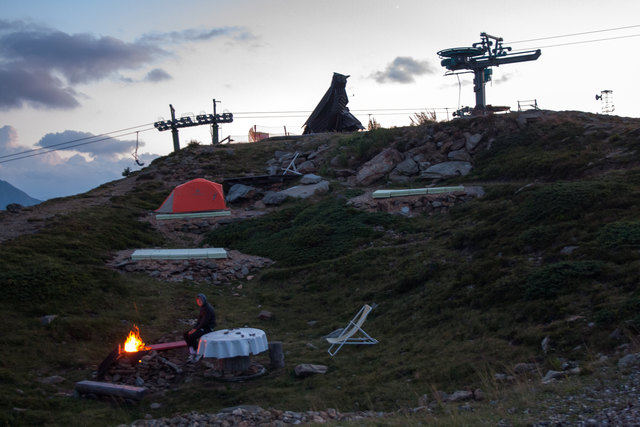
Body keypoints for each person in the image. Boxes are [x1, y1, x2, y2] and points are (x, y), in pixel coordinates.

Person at [183, 293, 216, 362]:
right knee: (186, 334)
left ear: (204, 300)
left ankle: (198, 352)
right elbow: (199, 320)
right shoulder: (202, 308)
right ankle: (192, 351)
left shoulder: (207, 309)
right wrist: (193, 328)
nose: (199, 302)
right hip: (202, 326)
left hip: (208, 328)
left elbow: (204, 322)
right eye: (198, 301)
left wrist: (195, 329)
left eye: (200, 301)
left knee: (192, 336)